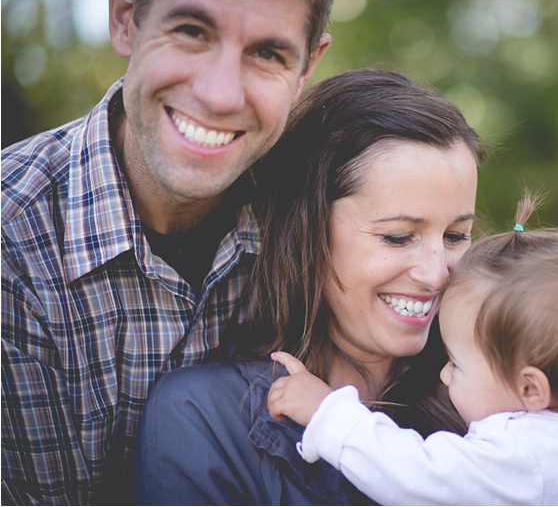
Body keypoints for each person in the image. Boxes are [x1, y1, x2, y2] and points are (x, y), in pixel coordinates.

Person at [1, 0, 333, 504]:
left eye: (268, 53)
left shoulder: (317, 220)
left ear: (306, 69)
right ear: (126, 16)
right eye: (192, 31)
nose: (219, 94)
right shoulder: (12, 243)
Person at [132, 68, 486, 504]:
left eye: (455, 236)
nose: (436, 275)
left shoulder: (498, 396)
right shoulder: (204, 417)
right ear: (308, 230)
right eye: (398, 237)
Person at [267, 193, 558, 506]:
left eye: (457, 363)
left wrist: (328, 413)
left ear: (531, 389)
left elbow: (411, 475)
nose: (444, 374)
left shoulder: (519, 457)